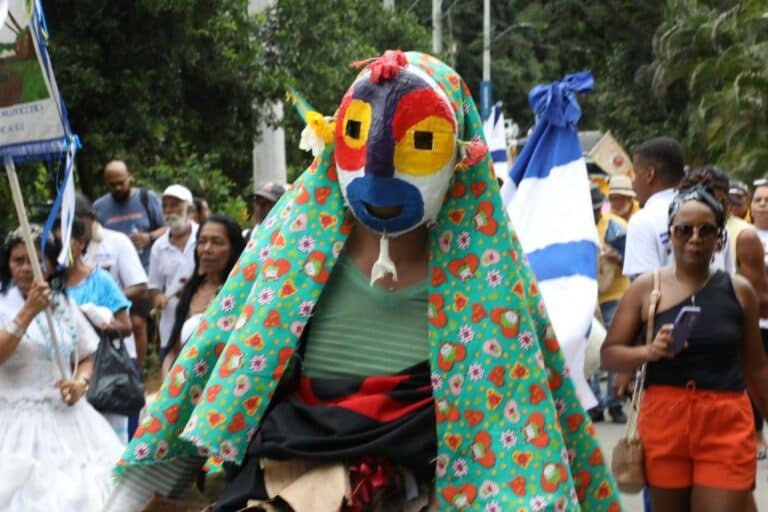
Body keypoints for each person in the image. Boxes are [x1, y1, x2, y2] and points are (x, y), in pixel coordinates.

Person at [107, 50, 620, 512]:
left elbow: (525, 392)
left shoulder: (486, 271)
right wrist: (132, 495)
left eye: (420, 142)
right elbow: (220, 353)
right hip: (296, 476)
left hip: (428, 483)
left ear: (459, 154)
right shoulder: (296, 242)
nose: (385, 163)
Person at [602, 180, 768, 511]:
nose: (695, 237)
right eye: (684, 229)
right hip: (665, 420)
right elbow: (609, 355)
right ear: (671, 233)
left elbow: (756, 366)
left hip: (725, 420)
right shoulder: (647, 289)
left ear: (719, 239)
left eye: (706, 230)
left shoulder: (739, 291)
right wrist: (647, 352)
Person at [0, 225, 124, 511]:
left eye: (35, 260)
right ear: (7, 264)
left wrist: (80, 383)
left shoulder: (63, 303)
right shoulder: (4, 304)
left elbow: (85, 354)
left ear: (51, 264)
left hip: (70, 417)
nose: (27, 268)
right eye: (18, 260)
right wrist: (27, 312)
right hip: (13, 422)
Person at [65, 216, 135, 442]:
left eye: (68, 239)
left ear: (80, 243)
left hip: (102, 376)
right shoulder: (48, 286)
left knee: (107, 446)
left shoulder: (100, 280)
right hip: (63, 378)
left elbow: (125, 326)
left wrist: (100, 322)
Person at [161, 215, 244, 375]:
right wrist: (167, 389)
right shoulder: (190, 291)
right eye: (202, 241)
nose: (207, 249)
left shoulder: (239, 296)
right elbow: (173, 351)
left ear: (234, 249)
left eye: (217, 242)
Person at [589, 184, 629, 423]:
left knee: (614, 347)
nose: (593, 214)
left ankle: (615, 402)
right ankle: (593, 403)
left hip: (614, 293)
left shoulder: (616, 227)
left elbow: (632, 264)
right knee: (591, 349)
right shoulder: (573, 224)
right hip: (588, 297)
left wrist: (617, 258)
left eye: (595, 209)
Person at [623, 137, 686, 278]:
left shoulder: (643, 221)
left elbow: (647, 290)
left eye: (635, 174)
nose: (633, 183)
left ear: (649, 174)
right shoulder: (710, 215)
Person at [148, 184, 198, 354]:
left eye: (175, 205)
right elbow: (154, 285)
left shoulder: (204, 238)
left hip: (201, 317)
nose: (169, 211)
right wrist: (158, 296)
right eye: (166, 206)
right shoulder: (158, 247)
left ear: (189, 209)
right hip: (171, 324)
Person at [93, 160, 166, 271]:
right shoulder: (99, 207)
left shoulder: (147, 198)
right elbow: (95, 242)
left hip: (148, 270)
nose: (118, 188)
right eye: (113, 185)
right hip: (115, 275)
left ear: (129, 177)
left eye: (121, 183)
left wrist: (149, 237)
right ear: (106, 182)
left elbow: (168, 228)